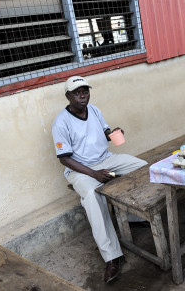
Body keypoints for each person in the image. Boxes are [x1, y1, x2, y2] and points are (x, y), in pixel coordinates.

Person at [51, 76, 147, 283]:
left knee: (143, 168)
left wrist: (113, 134)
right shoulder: (61, 122)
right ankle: (112, 256)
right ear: (68, 96)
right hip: (80, 169)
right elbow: (64, 159)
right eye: (77, 92)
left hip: (106, 159)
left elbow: (104, 133)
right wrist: (93, 174)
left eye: (85, 91)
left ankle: (133, 217)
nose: (82, 95)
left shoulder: (93, 109)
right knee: (94, 197)